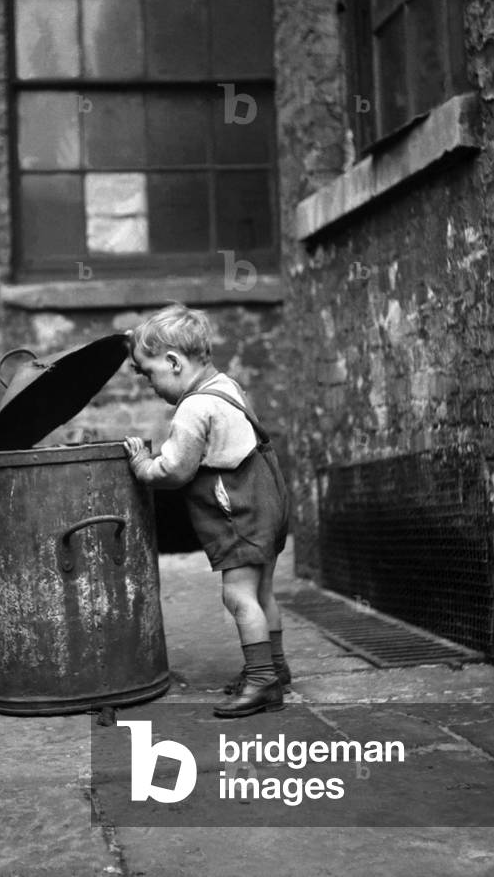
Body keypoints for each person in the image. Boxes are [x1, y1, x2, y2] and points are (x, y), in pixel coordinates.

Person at [122, 304, 290, 718]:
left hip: (238, 512)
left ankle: (262, 681)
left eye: (149, 373)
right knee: (262, 590)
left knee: (237, 596)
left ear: (174, 362)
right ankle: (275, 667)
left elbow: (177, 469)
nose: (149, 384)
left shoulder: (194, 408)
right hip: (267, 504)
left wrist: (144, 464)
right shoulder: (226, 386)